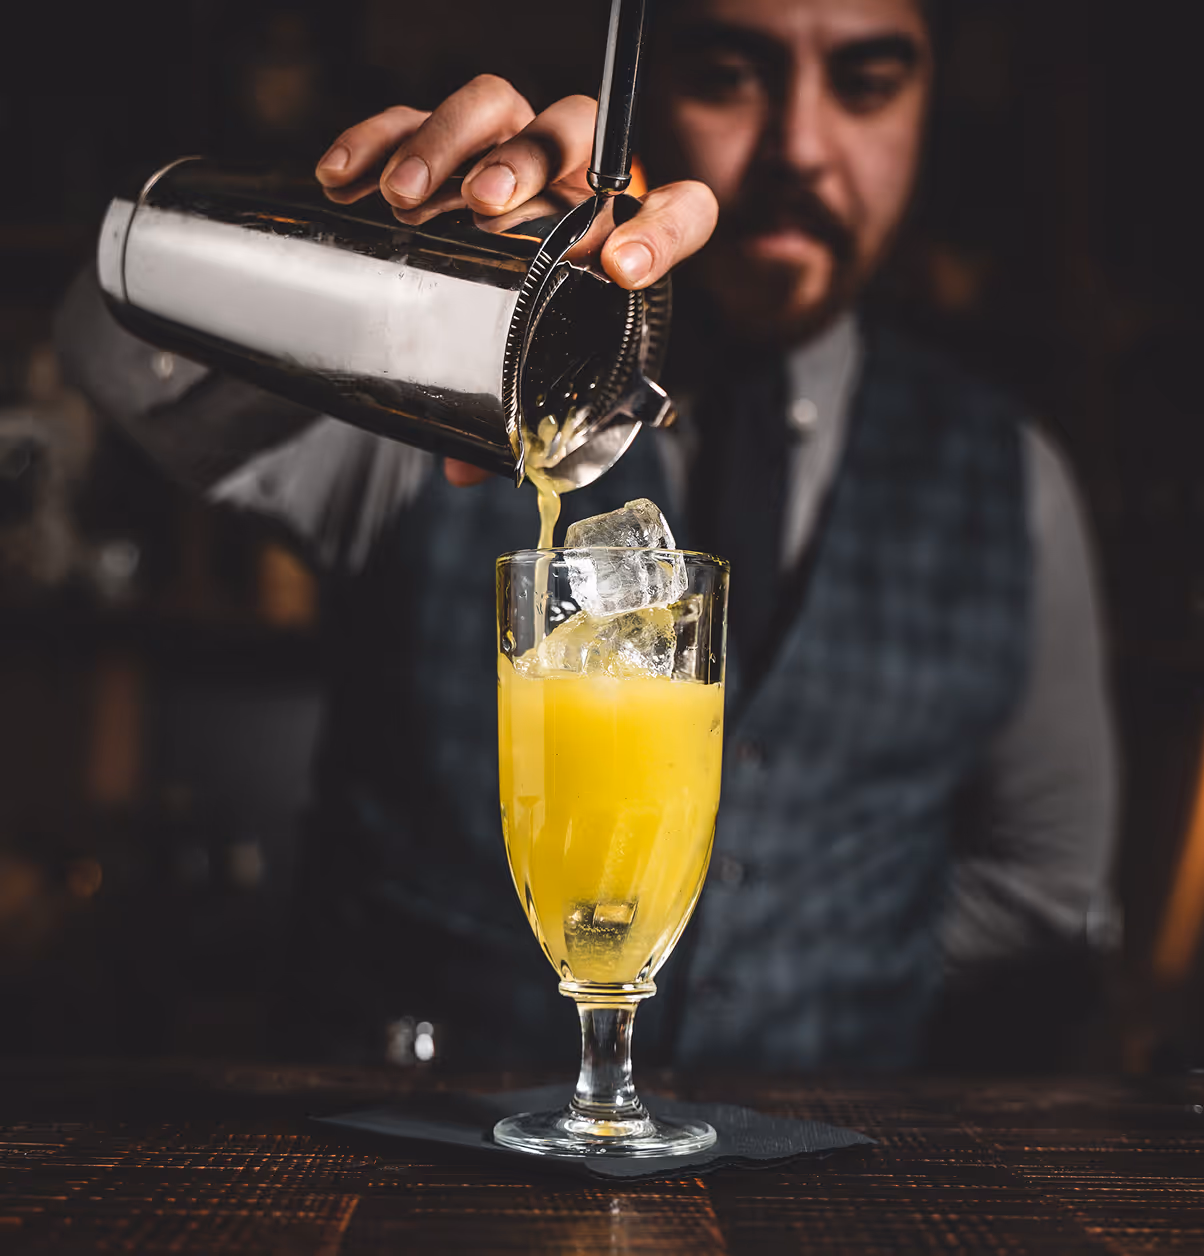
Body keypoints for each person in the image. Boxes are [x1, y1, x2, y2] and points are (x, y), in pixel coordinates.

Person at [55, 0, 1116, 1071]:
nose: (799, 145)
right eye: (729, 75)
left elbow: (1046, 878)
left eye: (865, 84)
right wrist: (359, 252)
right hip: (409, 1180)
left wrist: (848, 956)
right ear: (641, 98)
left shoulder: (1017, 481)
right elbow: (110, 340)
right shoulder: (425, 391)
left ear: (926, 106)